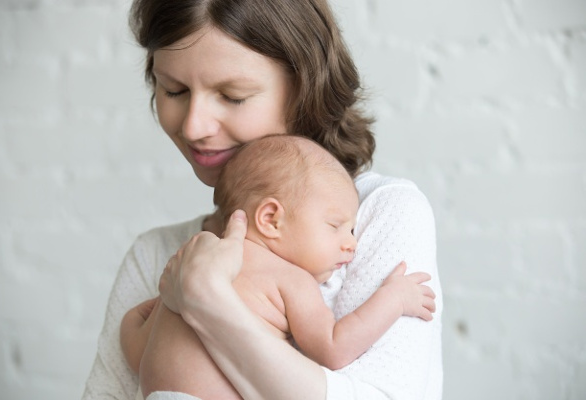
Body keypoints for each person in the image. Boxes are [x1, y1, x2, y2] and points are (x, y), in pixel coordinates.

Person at [82, 0, 443, 399]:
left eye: (233, 96)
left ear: (304, 87)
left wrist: (209, 302)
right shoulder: (154, 255)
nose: (194, 125)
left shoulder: (383, 213)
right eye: (175, 90)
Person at [119, 135, 436, 399]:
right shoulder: (291, 279)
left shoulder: (197, 260)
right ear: (271, 219)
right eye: (335, 225)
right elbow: (334, 348)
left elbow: (138, 355)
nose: (350, 243)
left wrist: (135, 316)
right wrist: (392, 300)